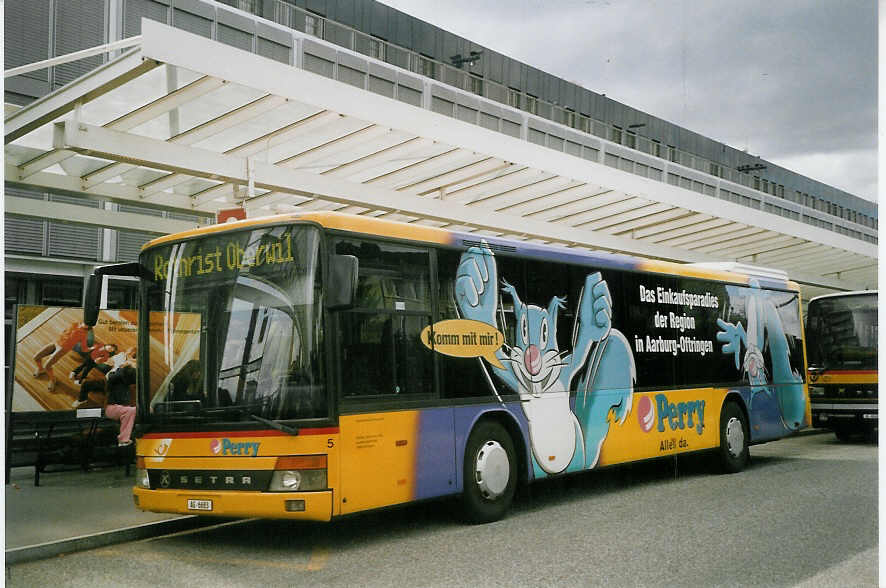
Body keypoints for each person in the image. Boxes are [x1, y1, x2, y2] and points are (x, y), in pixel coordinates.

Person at [32, 322, 95, 392]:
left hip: (62, 349)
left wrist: (92, 348)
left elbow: (84, 349)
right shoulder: (75, 324)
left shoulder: (84, 335)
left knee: (47, 366)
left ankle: (53, 380)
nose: (84, 323)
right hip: (56, 342)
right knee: (36, 357)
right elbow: (65, 331)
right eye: (85, 322)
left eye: (87, 324)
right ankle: (41, 369)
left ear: (88, 327)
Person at [103, 349, 137, 446]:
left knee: (147, 410)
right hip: (111, 408)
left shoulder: (125, 380)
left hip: (121, 409)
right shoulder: (114, 376)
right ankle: (123, 440)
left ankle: (135, 437)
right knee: (130, 411)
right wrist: (123, 366)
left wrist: (131, 364)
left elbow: (133, 377)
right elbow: (111, 377)